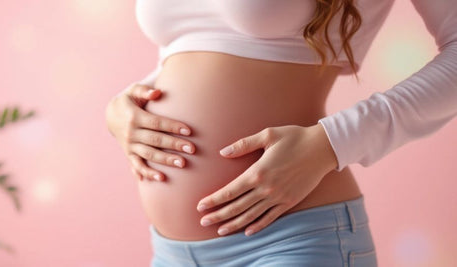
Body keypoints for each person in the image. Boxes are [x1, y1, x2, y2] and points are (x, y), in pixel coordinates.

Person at [105, 0, 457, 266]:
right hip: (171, 253)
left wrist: (332, 142)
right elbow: (196, 50)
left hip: (293, 240)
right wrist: (126, 106)